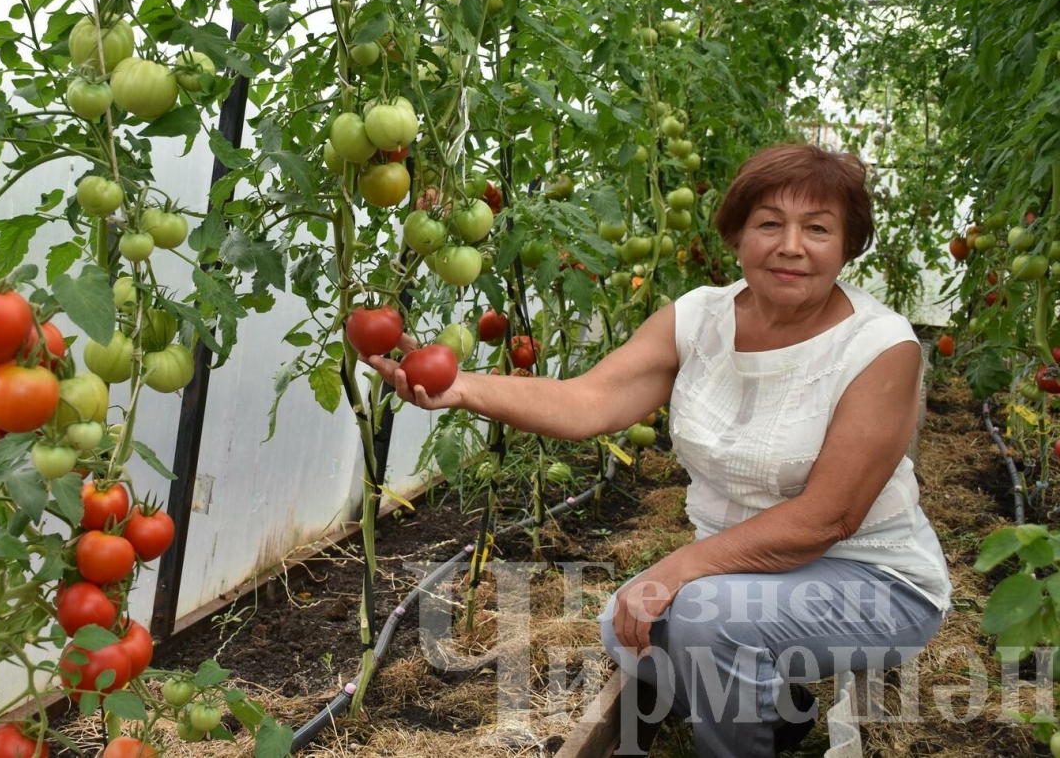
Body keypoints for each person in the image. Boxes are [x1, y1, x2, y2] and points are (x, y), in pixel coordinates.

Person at [365, 143, 953, 757]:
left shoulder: (880, 346)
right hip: (742, 570)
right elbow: (589, 402)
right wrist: (462, 387)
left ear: (848, 245)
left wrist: (676, 570)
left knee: (700, 619)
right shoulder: (699, 319)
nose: (790, 246)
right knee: (627, 631)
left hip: (870, 575)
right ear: (736, 234)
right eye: (769, 223)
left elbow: (827, 517)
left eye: (818, 229)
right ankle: (780, 714)